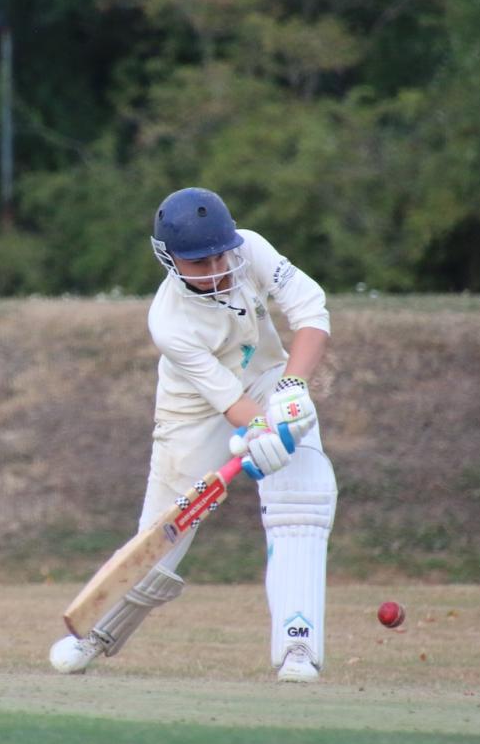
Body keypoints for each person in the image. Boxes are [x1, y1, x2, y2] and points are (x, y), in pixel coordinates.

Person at [49, 187, 337, 682]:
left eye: (218, 255)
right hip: (194, 408)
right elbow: (229, 403)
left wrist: (292, 389)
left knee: (305, 492)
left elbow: (311, 311)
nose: (215, 268)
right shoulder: (169, 322)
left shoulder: (249, 248)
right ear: (169, 259)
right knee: (166, 528)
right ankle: (97, 633)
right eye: (198, 263)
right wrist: (264, 431)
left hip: (268, 378)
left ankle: (298, 648)